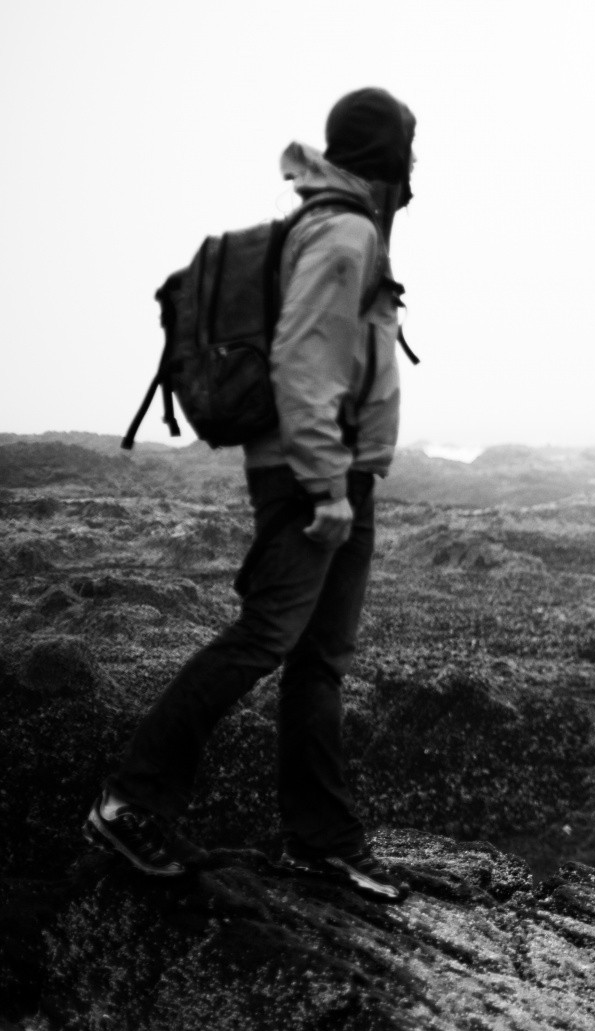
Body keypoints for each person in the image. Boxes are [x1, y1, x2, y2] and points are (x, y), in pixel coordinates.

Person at [83, 88, 418, 902]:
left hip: (337, 472)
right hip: (316, 476)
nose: (416, 172)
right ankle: (130, 801)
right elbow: (302, 365)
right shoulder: (343, 231)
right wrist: (325, 487)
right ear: (386, 156)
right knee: (267, 638)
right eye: (410, 151)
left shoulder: (340, 225)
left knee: (316, 661)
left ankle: (321, 842)